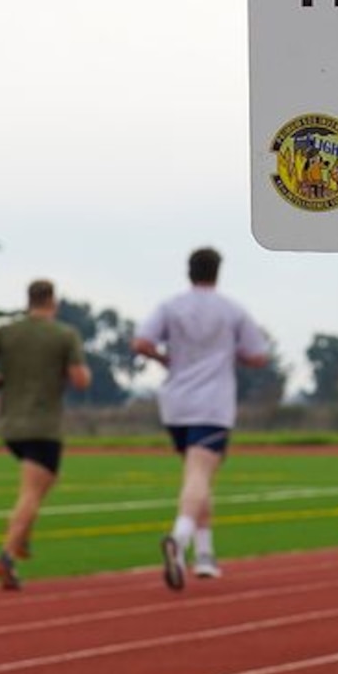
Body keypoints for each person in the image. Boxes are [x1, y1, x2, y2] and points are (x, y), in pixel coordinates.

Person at [133, 247, 270, 590]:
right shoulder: (231, 309)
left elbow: (141, 342)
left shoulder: (171, 306)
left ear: (188, 271)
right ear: (217, 272)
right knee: (198, 475)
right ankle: (179, 541)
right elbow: (259, 355)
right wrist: (229, 354)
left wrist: (166, 359)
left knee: (198, 477)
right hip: (212, 404)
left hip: (176, 402)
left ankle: (206, 555)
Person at [0, 278, 91, 590]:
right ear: (53, 301)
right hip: (44, 425)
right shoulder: (64, 335)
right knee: (32, 493)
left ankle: (23, 539)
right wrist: (79, 373)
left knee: (39, 485)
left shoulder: (7, 332)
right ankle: (8, 554)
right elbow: (79, 380)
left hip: (11, 425)